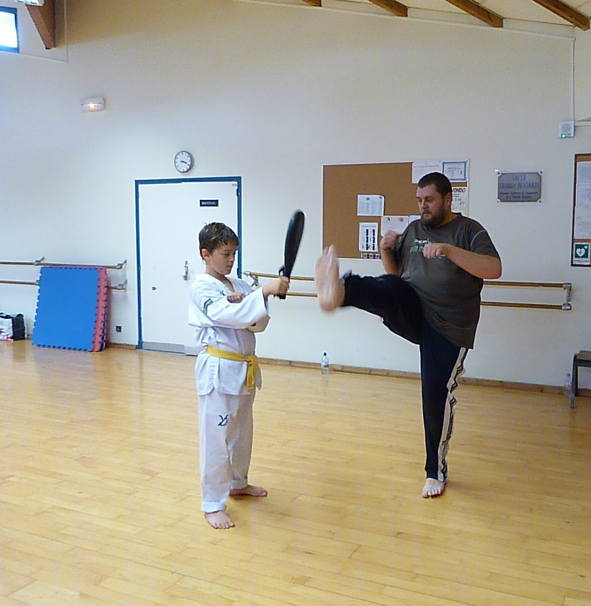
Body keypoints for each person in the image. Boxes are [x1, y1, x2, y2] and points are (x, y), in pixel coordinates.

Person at [315, 172, 501, 498]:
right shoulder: (414, 230)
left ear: (447, 199)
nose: (423, 206)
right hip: (414, 310)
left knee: (434, 395)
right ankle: (340, 292)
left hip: (449, 327)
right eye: (419, 200)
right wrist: (387, 250)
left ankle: (435, 472)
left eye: (429, 200)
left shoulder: (469, 230)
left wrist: (448, 250)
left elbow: (493, 268)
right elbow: (397, 274)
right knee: (390, 286)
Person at [189, 222, 290, 529]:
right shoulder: (201, 287)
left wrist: (258, 300)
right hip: (218, 371)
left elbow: (257, 323)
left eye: (234, 253)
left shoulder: (240, 284)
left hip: (243, 369)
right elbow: (227, 315)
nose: (231, 260)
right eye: (225, 254)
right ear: (206, 254)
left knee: (241, 434)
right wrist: (262, 293)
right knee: (217, 439)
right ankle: (212, 504)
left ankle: (237, 483)